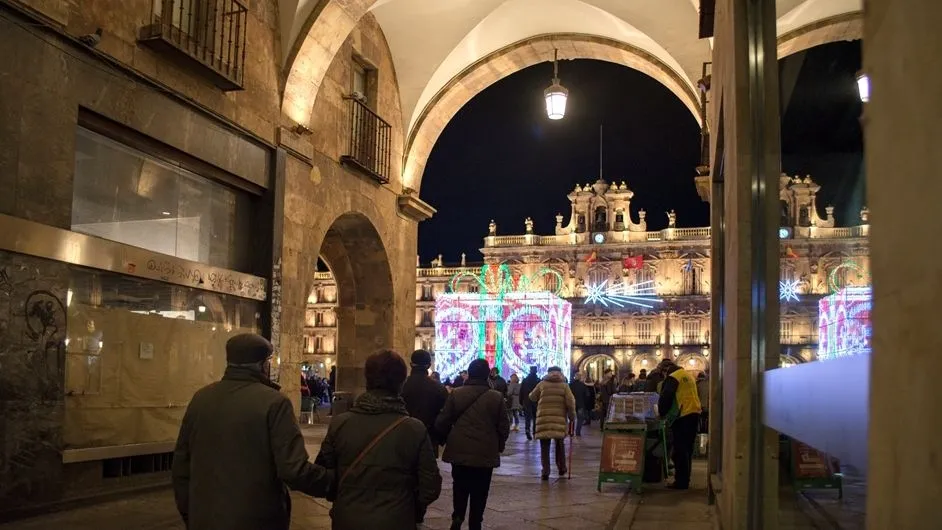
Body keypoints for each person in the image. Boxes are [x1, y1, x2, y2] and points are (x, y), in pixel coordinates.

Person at [172, 334, 333, 530]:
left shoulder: (201, 398)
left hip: (204, 518)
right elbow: (293, 469)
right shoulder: (274, 403)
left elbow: (181, 464)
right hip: (257, 518)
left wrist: (191, 512)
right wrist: (332, 482)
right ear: (263, 364)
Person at [316, 350, 442, 528]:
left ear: (367, 380)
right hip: (397, 519)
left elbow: (322, 475)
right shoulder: (414, 429)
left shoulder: (341, 424)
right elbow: (431, 485)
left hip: (348, 518)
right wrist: (411, 508)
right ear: (400, 383)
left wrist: (341, 497)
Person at [435, 358, 510, 530]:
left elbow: (443, 421)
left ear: (469, 373)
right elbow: (503, 426)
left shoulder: (456, 393)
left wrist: (446, 438)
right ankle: (476, 522)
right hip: (485, 451)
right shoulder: (496, 397)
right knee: (481, 490)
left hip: (459, 449)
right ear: (487, 375)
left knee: (459, 486)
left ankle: (458, 516)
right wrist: (498, 444)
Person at [657, 359, 702, 490]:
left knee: (680, 450)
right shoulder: (687, 375)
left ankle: (681, 482)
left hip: (683, 415)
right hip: (694, 412)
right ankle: (685, 479)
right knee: (687, 449)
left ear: (665, 370)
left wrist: (661, 412)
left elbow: (666, 396)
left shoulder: (673, 377)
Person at [529, 366, 576, 480]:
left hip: (544, 419)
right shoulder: (564, 386)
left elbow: (532, 397)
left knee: (544, 446)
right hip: (558, 419)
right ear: (560, 373)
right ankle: (561, 468)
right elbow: (570, 402)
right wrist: (571, 416)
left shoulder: (542, 384)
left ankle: (545, 471)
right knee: (560, 444)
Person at [401, 349, 449, 459]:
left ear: (411, 364)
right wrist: (439, 437)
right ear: (428, 366)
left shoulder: (401, 385)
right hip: (429, 436)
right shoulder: (438, 388)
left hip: (403, 435)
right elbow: (445, 415)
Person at [519, 366, 540, 440]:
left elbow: (521, 391)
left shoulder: (525, 380)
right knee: (535, 417)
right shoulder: (538, 380)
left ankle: (527, 430)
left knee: (527, 417)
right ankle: (534, 432)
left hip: (526, 401)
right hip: (535, 401)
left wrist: (521, 401)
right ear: (536, 371)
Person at [569, 372, 589, 436]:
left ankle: (571, 431)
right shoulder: (583, 385)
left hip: (572, 404)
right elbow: (587, 395)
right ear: (580, 378)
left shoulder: (570, 385)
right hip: (581, 405)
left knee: (572, 418)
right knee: (580, 419)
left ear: (575, 377)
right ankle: (578, 432)